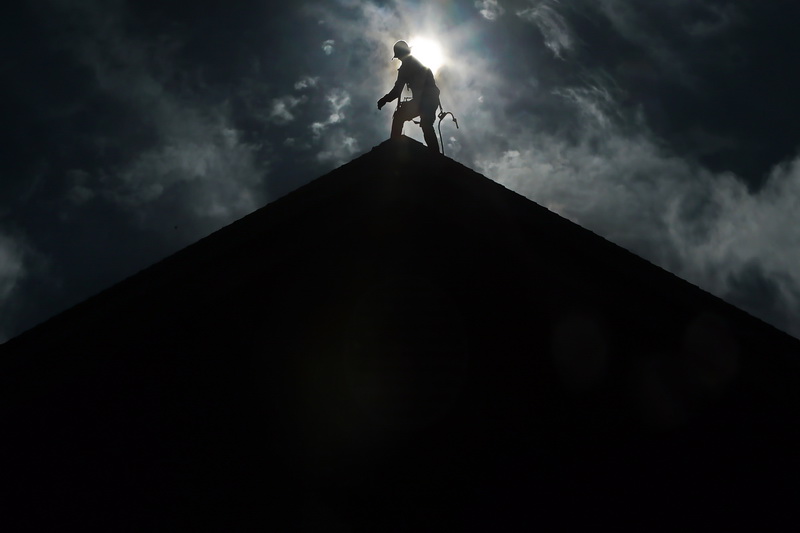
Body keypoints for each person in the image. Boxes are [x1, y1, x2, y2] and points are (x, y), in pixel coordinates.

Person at [377, 40, 441, 152]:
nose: (400, 59)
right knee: (426, 124)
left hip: (426, 100)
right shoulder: (419, 64)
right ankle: (435, 154)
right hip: (429, 99)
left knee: (400, 116)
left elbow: (397, 91)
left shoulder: (406, 68)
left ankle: (394, 146)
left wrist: (384, 100)